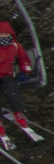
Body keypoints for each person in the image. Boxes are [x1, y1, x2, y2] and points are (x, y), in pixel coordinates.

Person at [0, 18, 38, 147]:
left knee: (13, 91)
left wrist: (25, 71)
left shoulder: (15, 46)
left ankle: (19, 113)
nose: (4, 36)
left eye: (6, 34)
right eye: (1, 34)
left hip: (6, 75)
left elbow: (23, 59)